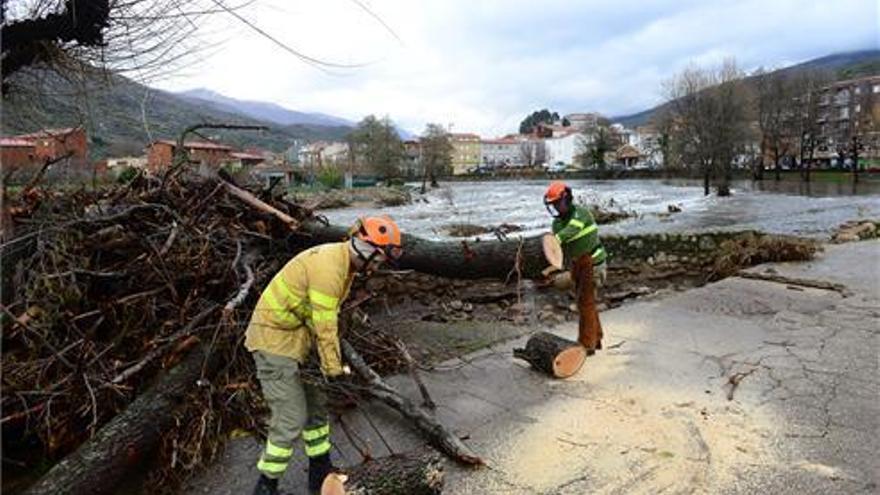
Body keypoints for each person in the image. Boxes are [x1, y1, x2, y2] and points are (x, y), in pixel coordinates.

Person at [245, 216, 403, 495]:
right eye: (377, 260)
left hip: (298, 338)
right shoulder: (331, 269)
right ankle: (265, 486)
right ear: (365, 248)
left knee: (316, 406)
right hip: (272, 340)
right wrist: (333, 369)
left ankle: (320, 472)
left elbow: (323, 322)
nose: (377, 267)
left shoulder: (345, 267)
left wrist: (333, 366)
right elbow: (325, 325)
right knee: (291, 417)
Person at [543, 181, 606, 352]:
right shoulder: (556, 224)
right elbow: (560, 250)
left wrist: (554, 240)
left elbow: (572, 230)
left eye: (557, 202)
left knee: (585, 303)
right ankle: (597, 337)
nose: (556, 207)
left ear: (567, 198)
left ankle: (587, 344)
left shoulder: (581, 214)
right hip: (577, 265)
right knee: (587, 302)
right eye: (553, 204)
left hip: (593, 263)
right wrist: (552, 264)